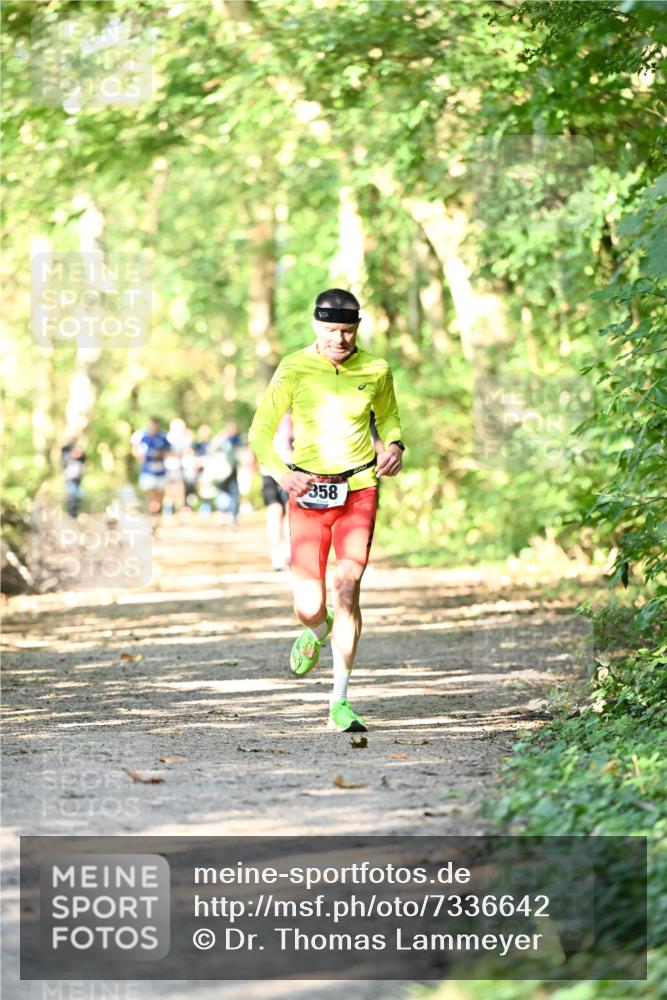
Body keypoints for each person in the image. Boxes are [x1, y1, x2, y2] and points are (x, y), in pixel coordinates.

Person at [249, 288, 405, 733]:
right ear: (316, 325)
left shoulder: (376, 368)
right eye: (331, 330)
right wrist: (281, 474)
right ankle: (318, 630)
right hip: (308, 490)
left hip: (359, 489)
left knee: (346, 586)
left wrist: (394, 444)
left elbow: (389, 417)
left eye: (347, 330)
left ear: (358, 327)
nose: (340, 339)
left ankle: (340, 699)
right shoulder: (294, 368)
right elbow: (260, 430)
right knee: (308, 605)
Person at [261, 412, 293, 571]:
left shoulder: (291, 417)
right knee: (276, 512)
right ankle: (277, 555)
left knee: (288, 513)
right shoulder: (267, 417)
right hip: (271, 472)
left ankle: (287, 554)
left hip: (289, 471)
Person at [132, 417, 170, 528]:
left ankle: (156, 520)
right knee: (152, 498)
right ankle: (151, 522)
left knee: (158, 500)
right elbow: (136, 452)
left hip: (161, 473)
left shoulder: (163, 437)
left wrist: (160, 454)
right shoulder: (142, 437)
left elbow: (168, 451)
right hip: (148, 473)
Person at [60, 441, 86, 518]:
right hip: (70, 479)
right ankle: (71, 513)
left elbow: (84, 459)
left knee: (79, 496)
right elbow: (64, 462)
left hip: (78, 479)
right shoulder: (66, 455)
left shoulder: (80, 458)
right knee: (72, 495)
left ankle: (75, 512)